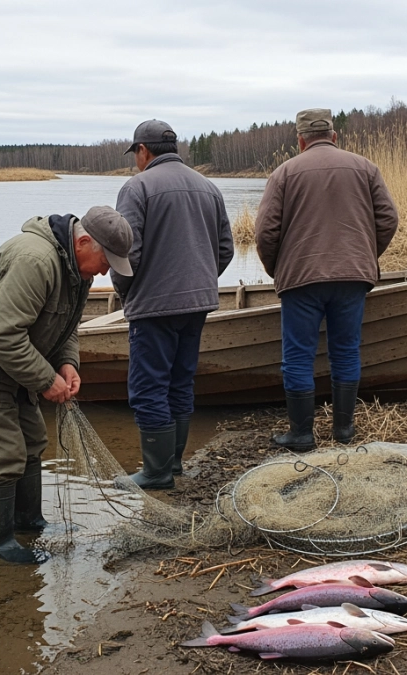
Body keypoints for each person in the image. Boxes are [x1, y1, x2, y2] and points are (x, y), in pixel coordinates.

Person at [0, 206, 133, 564]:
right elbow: (1, 335)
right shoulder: (35, 261)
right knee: (1, 454)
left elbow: (68, 326)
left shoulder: (79, 271)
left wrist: (68, 364)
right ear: (84, 241)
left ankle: (28, 522)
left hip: (15, 365)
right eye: (106, 260)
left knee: (32, 441)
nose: (106, 271)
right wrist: (44, 379)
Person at [254, 108, 398, 452]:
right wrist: (365, 256)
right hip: (353, 277)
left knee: (299, 357)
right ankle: (344, 431)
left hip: (301, 279)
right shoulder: (365, 167)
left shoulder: (284, 172)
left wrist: (279, 269)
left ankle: (302, 435)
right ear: (334, 136)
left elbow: (265, 233)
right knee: (346, 351)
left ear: (301, 140)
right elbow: (388, 219)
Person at [113, 119, 233, 490]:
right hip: (197, 305)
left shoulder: (137, 188)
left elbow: (125, 253)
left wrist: (126, 293)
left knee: (148, 388)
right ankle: (174, 464)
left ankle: (156, 472)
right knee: (180, 383)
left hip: (154, 307)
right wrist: (200, 283)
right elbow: (225, 249)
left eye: (135, 153)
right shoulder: (209, 188)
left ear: (142, 151)